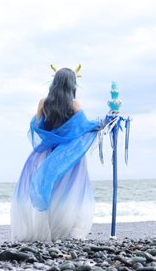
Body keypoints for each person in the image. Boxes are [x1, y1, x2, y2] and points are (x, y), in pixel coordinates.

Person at [10, 67, 101, 241]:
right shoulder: (75, 105)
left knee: (49, 191)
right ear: (72, 84)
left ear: (55, 82)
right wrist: (102, 124)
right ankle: (65, 231)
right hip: (69, 156)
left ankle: (44, 231)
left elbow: (38, 128)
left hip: (47, 154)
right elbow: (84, 127)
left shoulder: (43, 103)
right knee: (68, 192)